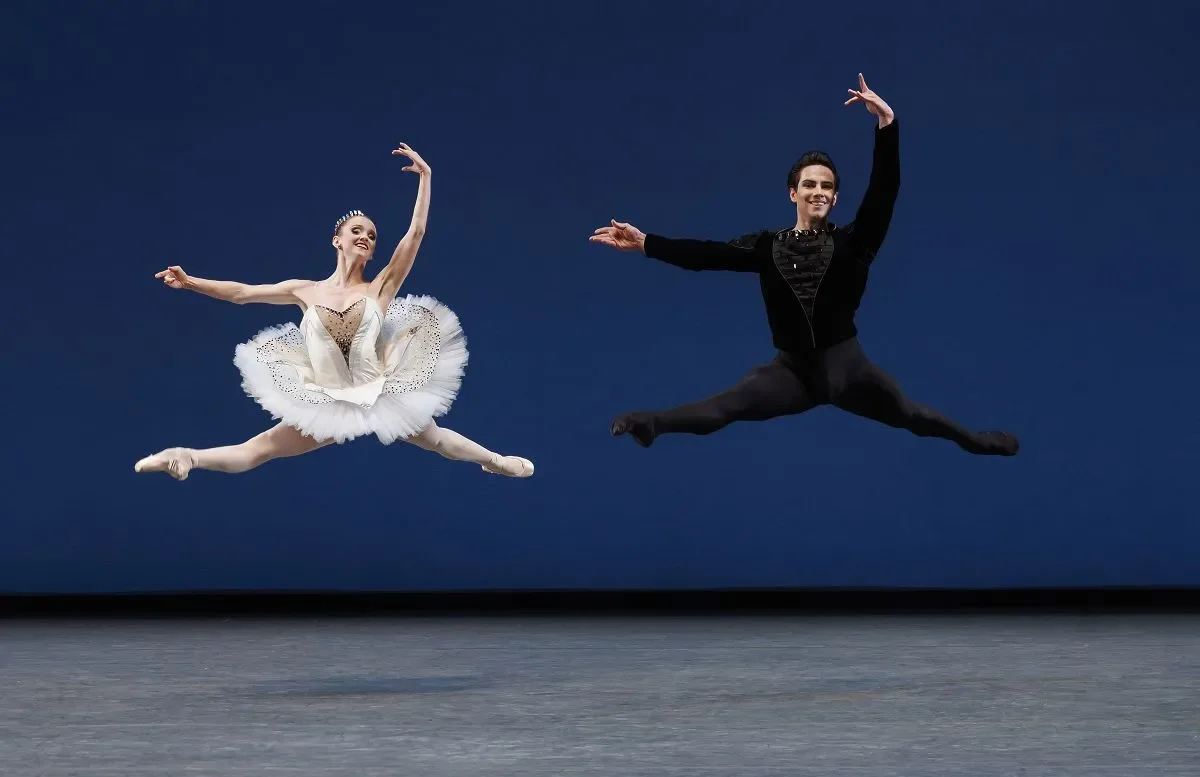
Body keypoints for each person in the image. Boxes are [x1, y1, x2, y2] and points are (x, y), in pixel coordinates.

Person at [590, 74, 1018, 457]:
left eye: (827, 186)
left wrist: (887, 126)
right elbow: (706, 255)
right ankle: (651, 424)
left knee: (911, 415)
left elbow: (884, 192)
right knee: (726, 407)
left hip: (850, 371)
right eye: (809, 184)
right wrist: (646, 243)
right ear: (792, 193)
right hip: (792, 373)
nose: (818, 191)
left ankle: (976, 441)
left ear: (835, 197)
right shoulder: (765, 246)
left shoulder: (855, 242)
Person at [134, 142, 534, 481]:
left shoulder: (380, 288)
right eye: (356, 231)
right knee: (259, 449)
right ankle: (186, 455)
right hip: (328, 400)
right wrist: (191, 282)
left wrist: (426, 178)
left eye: (371, 235)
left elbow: (416, 233)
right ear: (336, 241)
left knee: (436, 439)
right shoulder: (303, 290)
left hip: (377, 392)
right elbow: (241, 293)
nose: (365, 237)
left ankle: (495, 461)